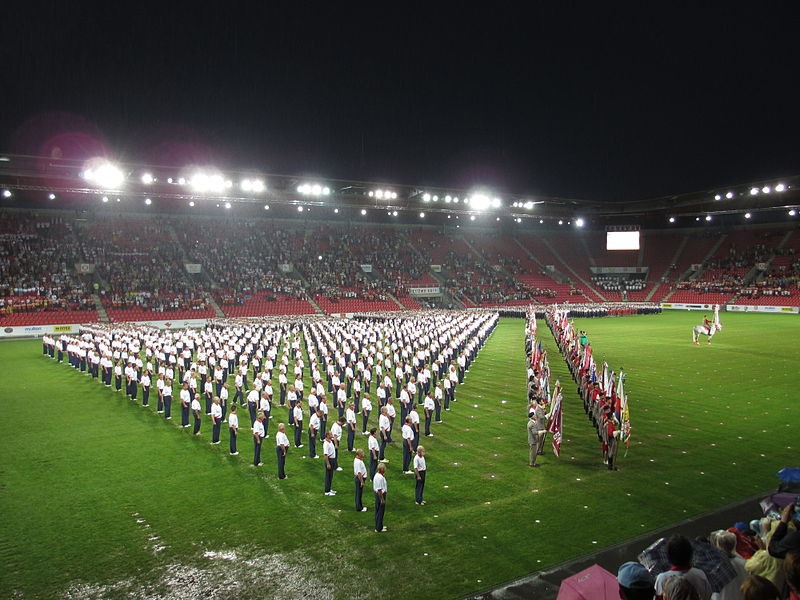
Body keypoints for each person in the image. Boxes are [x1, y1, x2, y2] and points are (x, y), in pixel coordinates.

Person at [654, 535, 712, 600]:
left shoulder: (662, 578)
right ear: (690, 553)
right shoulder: (700, 574)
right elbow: (708, 596)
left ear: (669, 555)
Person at [373, 462, 388, 532]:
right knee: (380, 511)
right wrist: (382, 499)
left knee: (378, 511)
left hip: (379, 494)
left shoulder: (378, 475)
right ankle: (379, 528)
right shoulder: (379, 477)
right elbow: (379, 490)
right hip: (380, 495)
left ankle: (379, 525)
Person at [323, 431, 336, 495]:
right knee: (328, 476)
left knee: (330, 475)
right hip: (329, 460)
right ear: (327, 435)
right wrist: (328, 463)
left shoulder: (330, 442)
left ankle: (329, 489)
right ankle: (327, 491)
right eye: (331, 434)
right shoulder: (326, 444)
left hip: (332, 460)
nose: (332, 435)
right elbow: (325, 455)